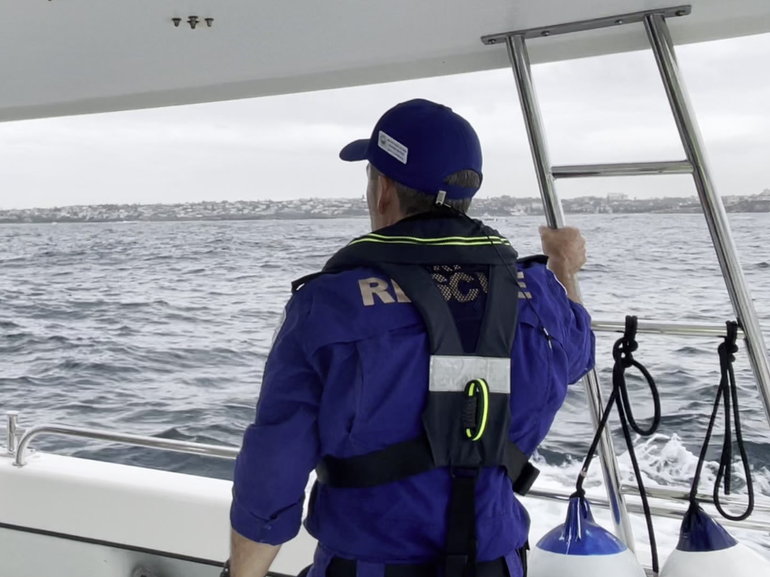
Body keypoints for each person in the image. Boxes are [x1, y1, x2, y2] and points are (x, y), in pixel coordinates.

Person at [226, 99, 595, 577]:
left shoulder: (327, 305)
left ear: (382, 191)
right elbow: (580, 352)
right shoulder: (541, 292)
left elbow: (271, 476)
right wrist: (564, 270)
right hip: (498, 567)